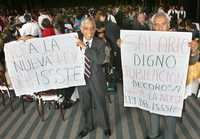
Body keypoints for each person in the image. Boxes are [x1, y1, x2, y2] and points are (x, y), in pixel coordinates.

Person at [76, 17, 111, 138]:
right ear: (81, 29)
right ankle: (88, 126)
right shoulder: (74, 41)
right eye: (86, 29)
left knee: (100, 104)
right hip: (81, 79)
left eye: (92, 29)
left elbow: (100, 59)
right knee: (85, 105)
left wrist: (85, 48)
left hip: (96, 79)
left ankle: (105, 126)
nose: (89, 32)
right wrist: (28, 39)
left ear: (95, 29)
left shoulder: (100, 43)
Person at [146, 12, 177, 139]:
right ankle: (153, 134)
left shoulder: (179, 41)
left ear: (168, 25)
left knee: (170, 114)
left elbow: (191, 61)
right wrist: (124, 46)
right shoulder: (146, 41)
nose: (159, 28)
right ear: (153, 26)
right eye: (156, 25)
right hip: (153, 84)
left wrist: (193, 52)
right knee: (153, 111)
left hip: (171, 87)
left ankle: (169, 136)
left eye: (163, 24)